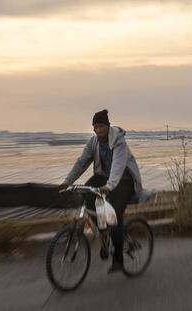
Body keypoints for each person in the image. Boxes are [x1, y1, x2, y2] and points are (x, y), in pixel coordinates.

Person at [59, 109, 142, 273]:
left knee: (114, 216)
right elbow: (82, 162)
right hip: (105, 178)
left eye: (102, 127)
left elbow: (118, 166)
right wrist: (67, 181)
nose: (99, 130)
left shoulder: (119, 141)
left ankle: (118, 260)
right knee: (87, 195)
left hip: (124, 180)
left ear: (108, 126)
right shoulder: (93, 142)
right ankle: (104, 235)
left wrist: (109, 187)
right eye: (96, 127)